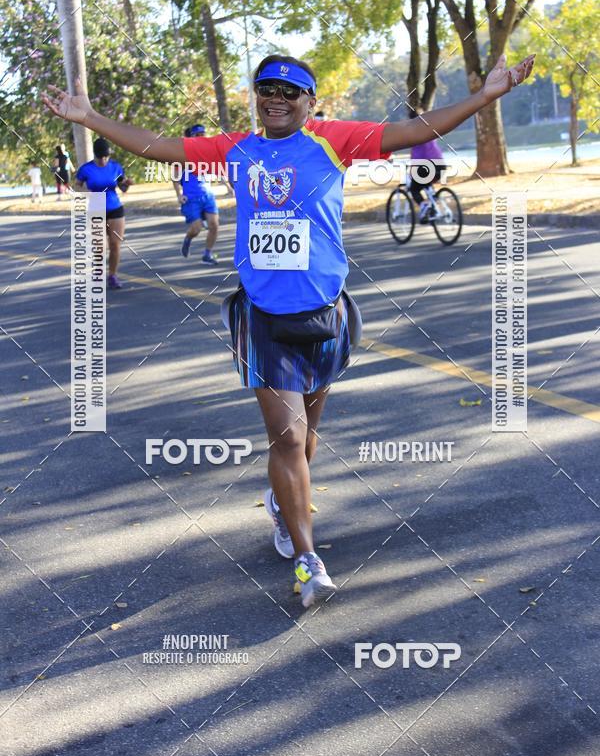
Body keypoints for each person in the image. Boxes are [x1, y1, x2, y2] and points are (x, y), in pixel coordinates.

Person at [41, 50, 535, 606]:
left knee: (309, 434)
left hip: (326, 312)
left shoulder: (335, 140)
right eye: (265, 89)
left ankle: (283, 502)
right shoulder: (235, 149)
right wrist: (88, 118)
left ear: (309, 101)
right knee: (290, 436)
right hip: (263, 318)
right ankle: (307, 558)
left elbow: (416, 129)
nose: (274, 97)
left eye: (288, 90)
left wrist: (486, 95)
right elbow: (160, 147)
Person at [73, 137, 133, 289]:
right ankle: (98, 274)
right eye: (100, 157)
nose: (103, 160)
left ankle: (112, 275)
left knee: (115, 245)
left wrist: (127, 184)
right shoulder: (86, 169)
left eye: (106, 156)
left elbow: (122, 187)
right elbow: (77, 186)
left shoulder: (116, 167)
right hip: (96, 207)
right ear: (95, 155)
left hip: (115, 208)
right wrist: (86, 191)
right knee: (99, 247)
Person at [173, 124, 220, 264]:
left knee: (214, 225)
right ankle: (188, 239)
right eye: (197, 135)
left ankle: (207, 254)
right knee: (196, 228)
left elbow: (219, 170)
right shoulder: (181, 156)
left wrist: (230, 186)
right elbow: (175, 179)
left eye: (203, 134)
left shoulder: (207, 154)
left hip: (208, 196)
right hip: (191, 199)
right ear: (191, 137)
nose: (201, 137)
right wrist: (179, 195)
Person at [406, 106, 446, 222]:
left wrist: (412, 172)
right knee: (427, 183)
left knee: (414, 188)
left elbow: (416, 156)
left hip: (426, 166)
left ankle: (424, 206)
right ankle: (432, 208)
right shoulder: (430, 127)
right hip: (441, 164)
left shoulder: (413, 133)